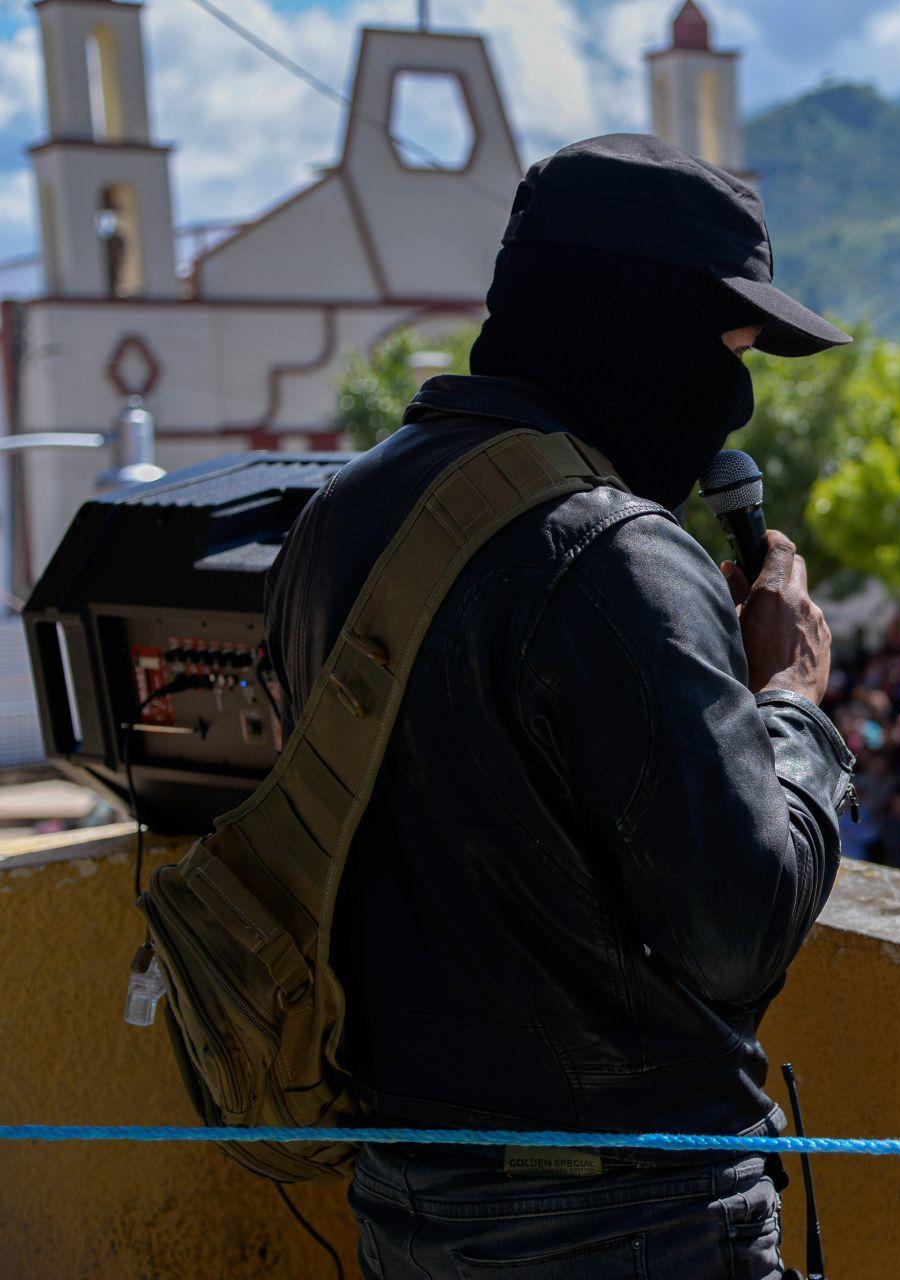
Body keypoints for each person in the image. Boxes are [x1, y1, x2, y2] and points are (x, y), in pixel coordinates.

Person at [268, 135, 858, 1279]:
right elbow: (740, 929)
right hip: (622, 1214)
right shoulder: (613, 550)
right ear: (628, 320)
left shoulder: (337, 519)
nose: (733, 402)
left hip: (409, 1189)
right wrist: (789, 702)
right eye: (727, 345)